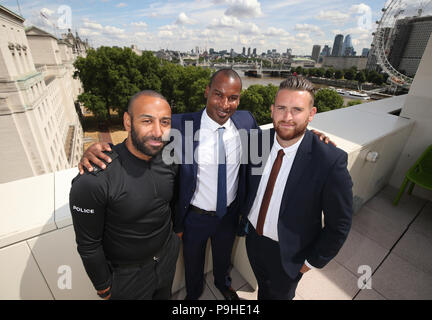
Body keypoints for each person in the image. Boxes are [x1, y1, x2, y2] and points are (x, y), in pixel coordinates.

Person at [78, 70, 331, 300]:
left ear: (239, 100)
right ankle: (195, 293)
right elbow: (144, 134)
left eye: (233, 97)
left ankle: (223, 284)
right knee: (192, 261)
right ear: (206, 93)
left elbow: (274, 138)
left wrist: (309, 137)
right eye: (218, 94)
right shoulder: (178, 124)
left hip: (230, 213)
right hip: (193, 217)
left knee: (223, 256)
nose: (225, 103)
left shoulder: (245, 122)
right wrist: (100, 149)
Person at [241, 76, 353, 300]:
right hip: (253, 239)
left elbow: (339, 223)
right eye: (281, 108)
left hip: (289, 255)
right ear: (272, 110)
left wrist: (310, 262)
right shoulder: (256, 142)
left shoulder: (329, 161)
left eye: (297, 110)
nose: (287, 117)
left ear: (311, 114)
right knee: (264, 290)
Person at [69, 90, 180, 300]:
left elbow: (170, 204)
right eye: (147, 121)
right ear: (128, 122)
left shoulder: (170, 158)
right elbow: (88, 245)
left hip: (166, 259)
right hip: (127, 277)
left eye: (165, 122)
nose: (158, 131)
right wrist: (104, 287)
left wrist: (174, 241)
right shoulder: (93, 181)